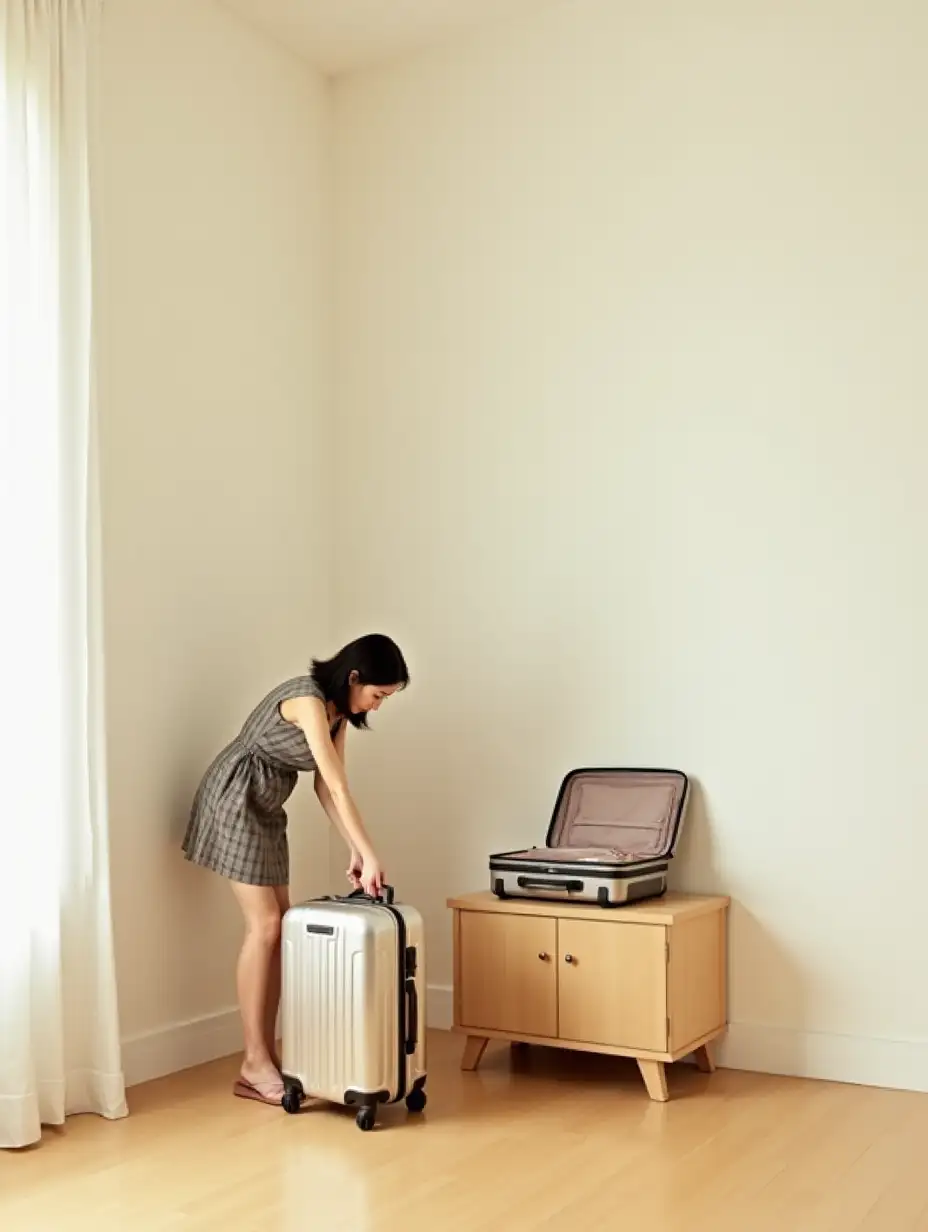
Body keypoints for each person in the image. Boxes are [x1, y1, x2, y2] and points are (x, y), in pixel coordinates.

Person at [182, 633, 409, 1106]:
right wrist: (370, 854)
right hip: (235, 797)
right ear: (353, 677)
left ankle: (260, 1058)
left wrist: (353, 848)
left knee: (280, 930)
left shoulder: (339, 716)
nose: (378, 705)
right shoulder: (306, 700)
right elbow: (337, 788)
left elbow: (327, 790)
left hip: (266, 806)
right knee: (264, 926)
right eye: (377, 694)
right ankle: (254, 1059)